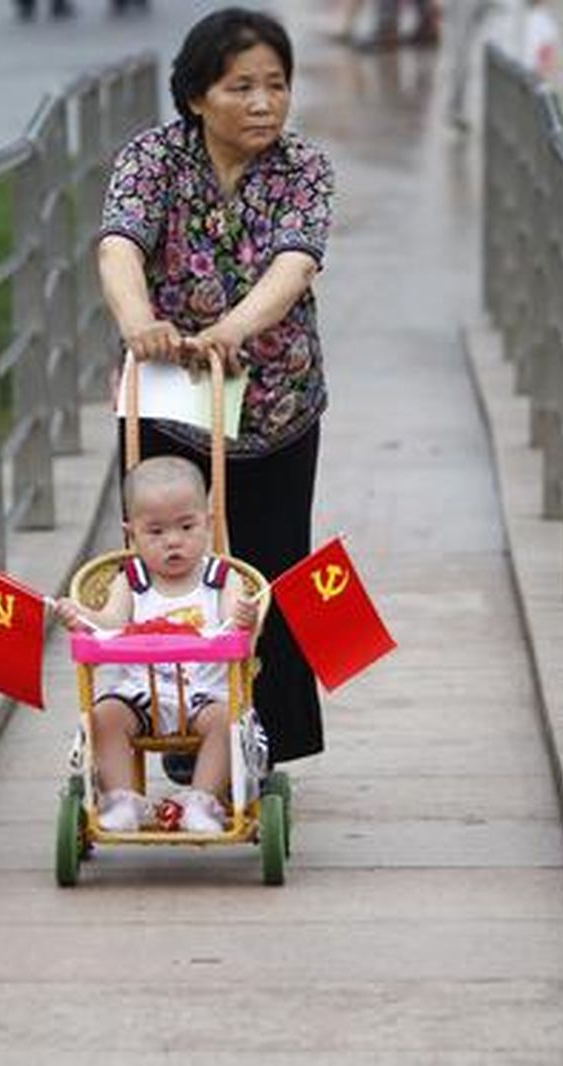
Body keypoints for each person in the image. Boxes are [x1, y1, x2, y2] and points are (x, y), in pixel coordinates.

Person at [96, 7, 334, 766]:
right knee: (169, 563)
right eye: (241, 87)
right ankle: (174, 732)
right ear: (198, 95)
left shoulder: (305, 169)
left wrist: (231, 330)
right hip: (169, 399)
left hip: (276, 400)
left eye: (276, 85)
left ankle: (269, 745)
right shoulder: (151, 159)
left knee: (270, 568)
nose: (264, 103)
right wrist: (140, 322)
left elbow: (295, 264)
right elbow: (118, 245)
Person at [55, 456, 260, 833]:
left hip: (204, 692)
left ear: (208, 523)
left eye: (187, 526)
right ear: (131, 534)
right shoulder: (131, 580)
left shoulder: (221, 578)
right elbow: (110, 623)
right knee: (103, 717)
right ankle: (123, 799)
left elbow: (236, 627)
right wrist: (83, 617)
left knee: (228, 722)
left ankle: (203, 801)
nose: (173, 541)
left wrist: (246, 617)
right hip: (141, 691)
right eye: (155, 531)